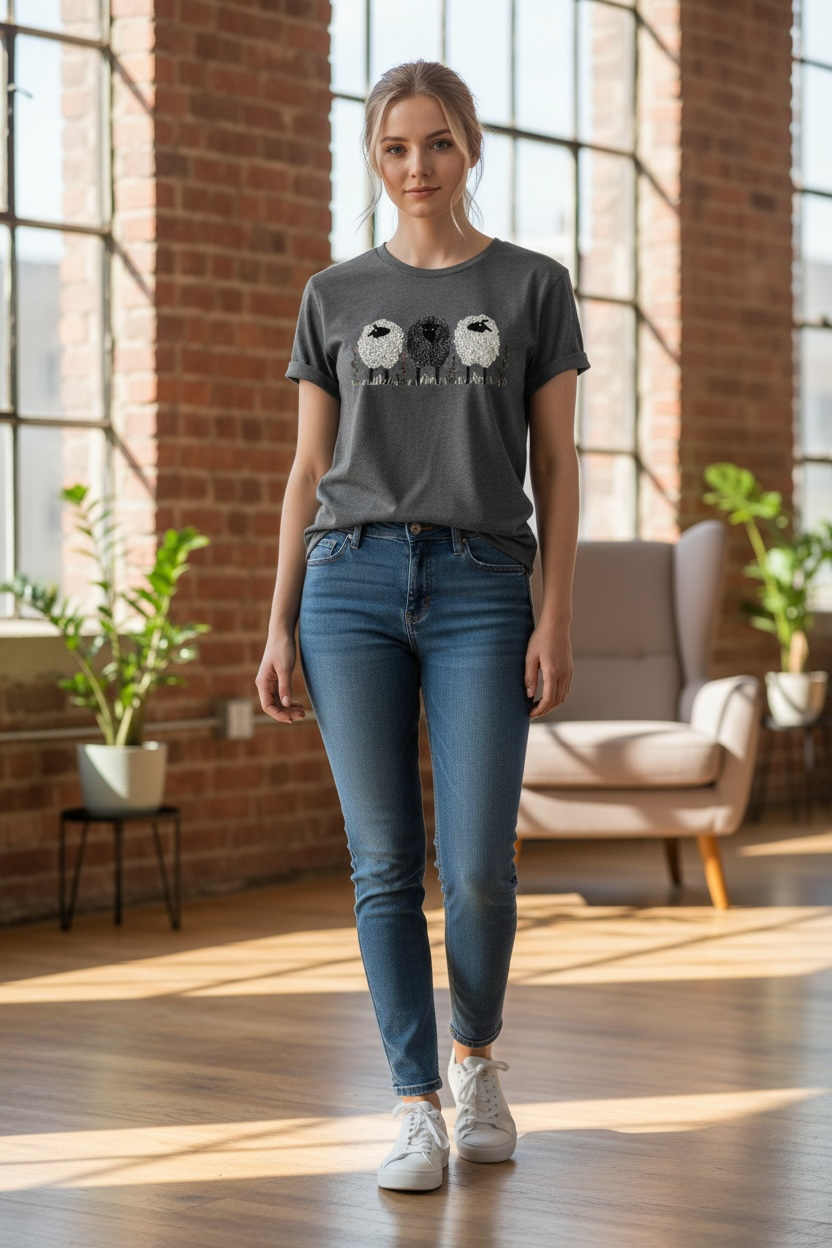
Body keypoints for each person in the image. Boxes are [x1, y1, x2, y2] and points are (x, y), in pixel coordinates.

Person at [255, 59, 589, 1193]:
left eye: (436, 144)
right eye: (394, 147)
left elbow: (556, 464)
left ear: (470, 148)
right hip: (346, 582)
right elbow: (307, 471)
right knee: (384, 864)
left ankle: (475, 1063)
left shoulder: (533, 286)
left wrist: (555, 614)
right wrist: (276, 624)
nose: (416, 168)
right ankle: (412, 1105)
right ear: (373, 157)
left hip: (484, 581)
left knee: (480, 864)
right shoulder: (333, 295)